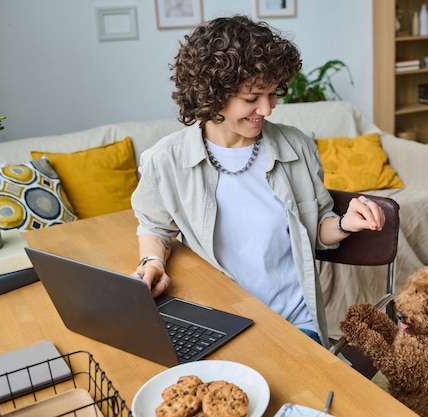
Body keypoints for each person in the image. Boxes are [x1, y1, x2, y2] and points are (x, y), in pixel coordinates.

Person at [130, 15, 385, 347]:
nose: (266, 109)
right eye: (252, 98)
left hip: (295, 324)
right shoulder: (166, 160)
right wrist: (152, 262)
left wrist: (346, 223)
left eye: (273, 93)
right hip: (216, 326)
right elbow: (154, 225)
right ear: (213, 93)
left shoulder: (297, 147)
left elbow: (317, 227)